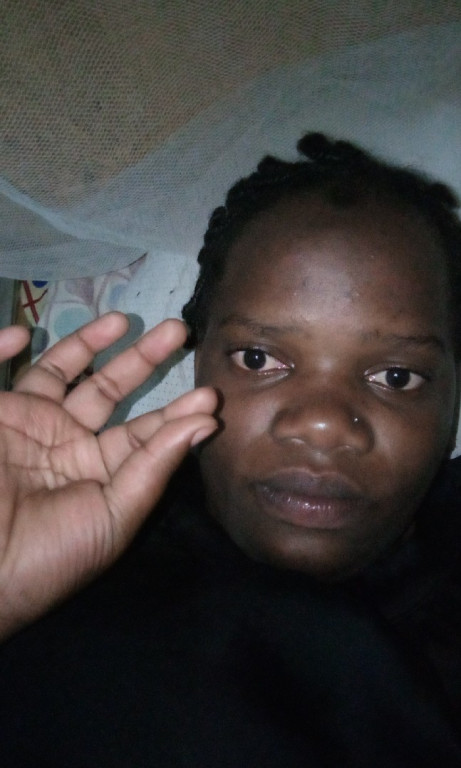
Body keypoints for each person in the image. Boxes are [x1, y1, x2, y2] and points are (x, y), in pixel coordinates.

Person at [0, 133, 460, 767]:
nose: (323, 425)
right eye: (259, 359)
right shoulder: (71, 559)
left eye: (396, 376)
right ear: (199, 362)